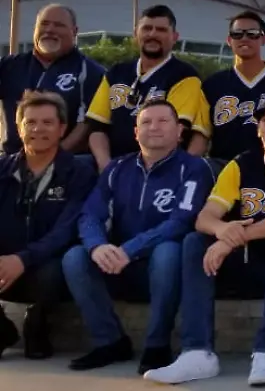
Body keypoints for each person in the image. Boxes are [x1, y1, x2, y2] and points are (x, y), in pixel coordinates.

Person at [143, 95, 265, 386]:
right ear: (258, 128)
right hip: (246, 261)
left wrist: (232, 239)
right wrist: (221, 230)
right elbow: (205, 217)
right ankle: (197, 353)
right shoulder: (241, 163)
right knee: (195, 241)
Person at [64, 99, 213, 373]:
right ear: (136, 132)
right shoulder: (116, 168)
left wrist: (130, 249)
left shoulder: (194, 168)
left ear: (179, 131)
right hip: (119, 265)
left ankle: (157, 346)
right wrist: (98, 246)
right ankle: (110, 342)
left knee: (168, 251)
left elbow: (182, 221)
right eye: (146, 122)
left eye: (163, 121)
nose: (154, 127)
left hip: (166, 270)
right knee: (75, 257)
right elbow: (90, 215)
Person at [0, 92, 96, 360]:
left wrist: (23, 258)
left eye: (47, 122)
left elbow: (67, 230)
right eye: (30, 122)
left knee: (60, 264)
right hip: (5, 267)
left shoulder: (80, 172)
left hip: (47, 271)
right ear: (19, 128)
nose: (38, 129)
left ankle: (38, 324)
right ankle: (2, 330)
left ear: (62, 128)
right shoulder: (2, 169)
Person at [87, 5, 205, 166]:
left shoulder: (185, 75)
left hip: (158, 165)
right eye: (147, 28)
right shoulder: (116, 72)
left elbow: (176, 133)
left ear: (174, 37)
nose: (152, 34)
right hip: (111, 162)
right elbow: (97, 128)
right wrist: (105, 166)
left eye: (161, 30)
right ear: (136, 33)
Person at [0, 4, 104, 162]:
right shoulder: (8, 66)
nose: (49, 30)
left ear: (74, 31)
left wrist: (48, 158)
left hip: (68, 164)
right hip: (11, 162)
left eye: (59, 25)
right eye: (44, 24)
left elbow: (88, 124)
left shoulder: (92, 72)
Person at [196, 11, 265, 164]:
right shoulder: (212, 84)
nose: (244, 38)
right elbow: (201, 134)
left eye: (252, 34)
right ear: (229, 40)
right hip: (222, 166)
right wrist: (186, 167)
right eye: (237, 34)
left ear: (264, 39)